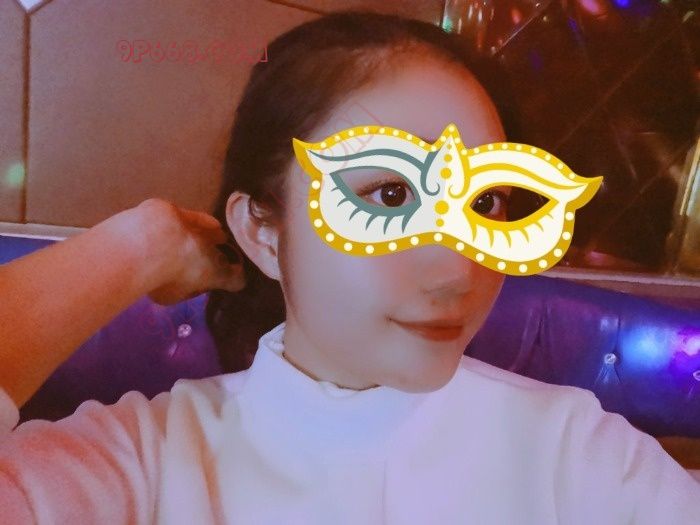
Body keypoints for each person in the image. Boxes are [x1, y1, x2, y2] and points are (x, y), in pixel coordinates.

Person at [0, 10, 698, 525]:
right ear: (262, 231)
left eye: (486, 202)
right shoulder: (140, 464)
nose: (459, 267)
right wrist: (137, 245)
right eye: (390, 195)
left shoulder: (578, 455)